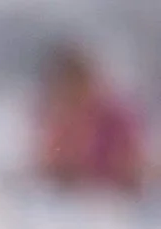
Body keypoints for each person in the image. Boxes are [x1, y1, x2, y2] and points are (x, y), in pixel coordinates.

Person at [34, 43, 144, 196]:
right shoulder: (60, 118)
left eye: (77, 82)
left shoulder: (114, 117)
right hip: (74, 201)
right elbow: (50, 166)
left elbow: (131, 166)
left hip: (116, 199)